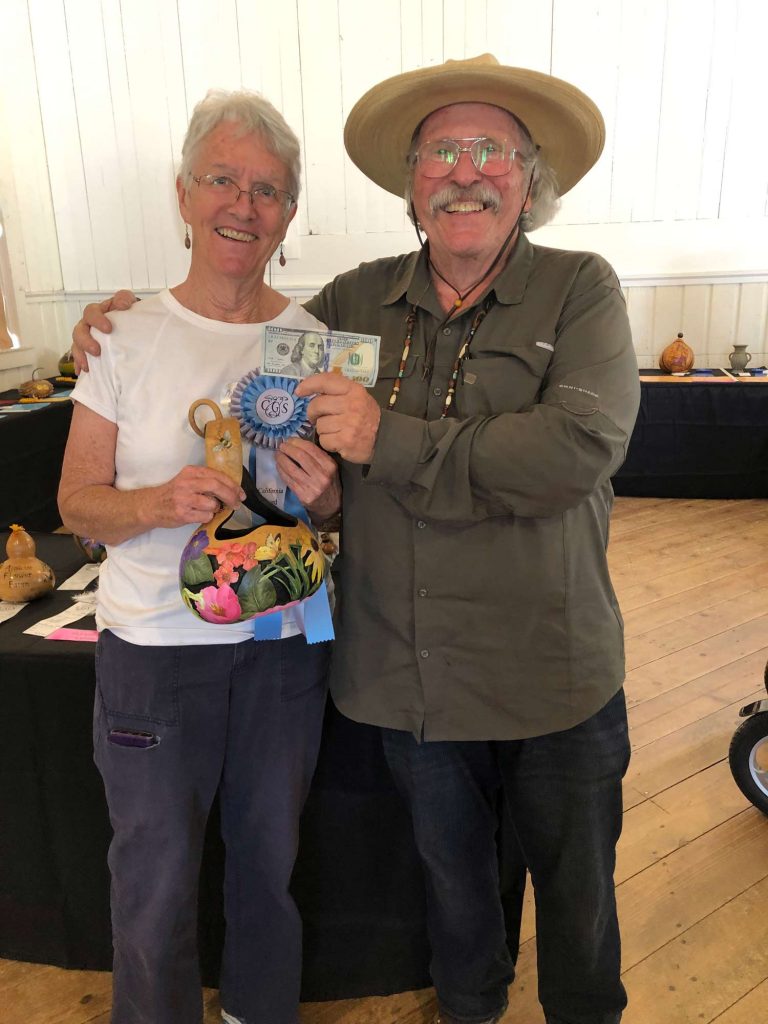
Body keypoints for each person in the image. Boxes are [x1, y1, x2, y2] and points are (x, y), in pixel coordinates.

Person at [72, 54, 640, 1024]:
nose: (465, 170)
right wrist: (112, 322)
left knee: (579, 911)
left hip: (553, 678)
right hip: (408, 682)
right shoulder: (349, 305)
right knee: (454, 902)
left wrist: (392, 440)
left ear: (528, 178)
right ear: (411, 183)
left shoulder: (580, 290)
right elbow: (258, 393)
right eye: (440, 152)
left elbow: (576, 447)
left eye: (490, 149)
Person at [59, 89, 340, 1024]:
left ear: (289, 214)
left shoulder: (313, 343)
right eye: (222, 179)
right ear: (184, 193)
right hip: (150, 655)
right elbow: (74, 504)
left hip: (280, 652)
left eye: (266, 190)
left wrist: (329, 497)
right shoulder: (120, 335)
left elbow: (337, 509)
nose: (243, 205)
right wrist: (153, 503)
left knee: (269, 870)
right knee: (154, 883)